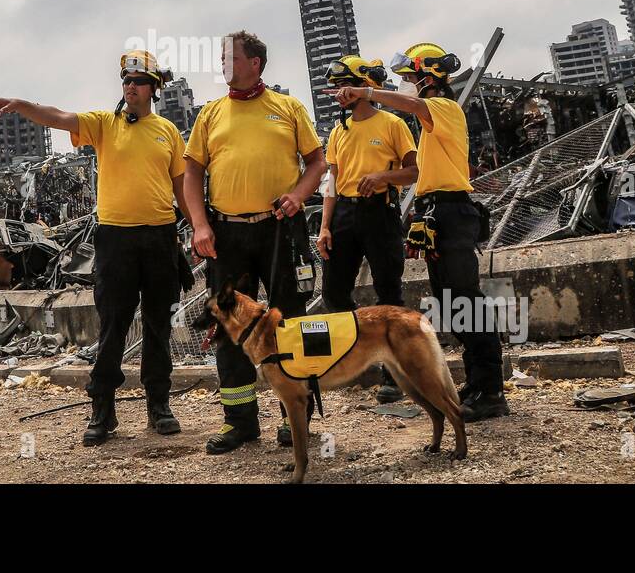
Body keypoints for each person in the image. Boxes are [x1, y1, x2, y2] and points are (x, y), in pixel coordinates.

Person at [0, 49, 192, 446]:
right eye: (126, 82)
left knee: (158, 325)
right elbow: (58, 116)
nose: (130, 87)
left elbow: (181, 188)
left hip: (160, 238)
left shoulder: (167, 131)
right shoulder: (103, 124)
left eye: (138, 82)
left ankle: (159, 405)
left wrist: (199, 227)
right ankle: (103, 409)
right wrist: (22, 105)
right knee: (113, 325)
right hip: (116, 239)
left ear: (153, 89)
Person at [327, 42, 508, 422]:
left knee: (468, 302)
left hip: (453, 210)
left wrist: (367, 92)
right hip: (436, 213)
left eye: (410, 79)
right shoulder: (429, 123)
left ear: (428, 78)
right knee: (452, 302)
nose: (406, 86)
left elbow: (411, 106)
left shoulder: (444, 108)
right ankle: (476, 384)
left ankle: (491, 392)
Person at [184, 30, 327, 453]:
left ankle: (294, 417)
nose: (223, 65)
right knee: (230, 328)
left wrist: (299, 196)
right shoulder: (210, 114)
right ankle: (241, 422)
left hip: (279, 229)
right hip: (225, 233)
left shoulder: (287, 107)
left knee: (289, 324)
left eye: (230, 58)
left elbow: (317, 162)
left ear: (255, 63)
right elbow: (192, 173)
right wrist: (199, 225)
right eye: (221, 59)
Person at [315, 54, 417, 403]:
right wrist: (325, 227)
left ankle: (394, 375)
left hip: (380, 212)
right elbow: (332, 180)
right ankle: (355, 360)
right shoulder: (337, 132)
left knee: (389, 292)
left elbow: (414, 172)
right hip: (344, 213)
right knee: (333, 293)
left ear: (362, 86)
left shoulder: (392, 123)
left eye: (344, 85)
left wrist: (383, 177)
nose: (339, 93)